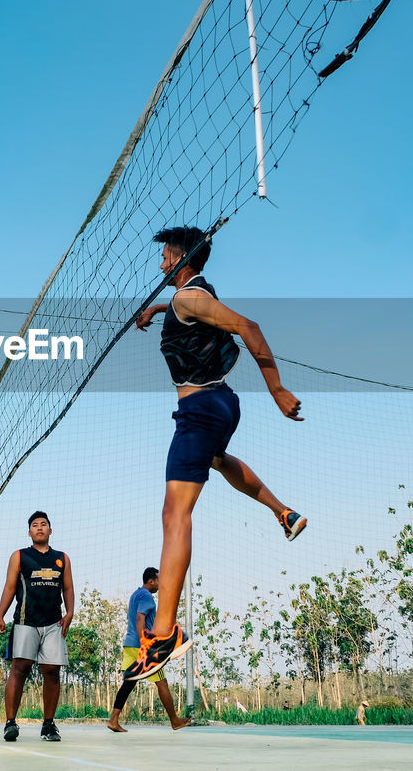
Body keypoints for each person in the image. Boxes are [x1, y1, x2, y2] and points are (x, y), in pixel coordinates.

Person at [125, 226, 306, 681]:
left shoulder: (190, 298)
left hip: (200, 408)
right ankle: (283, 512)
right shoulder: (190, 297)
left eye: (166, 256)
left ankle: (165, 632)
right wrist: (160, 306)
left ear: (182, 257)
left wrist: (278, 390)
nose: (161, 263)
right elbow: (193, 310)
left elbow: (250, 328)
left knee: (174, 514)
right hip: (220, 405)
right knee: (218, 461)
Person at [0, 511, 74, 742]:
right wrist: (0, 615)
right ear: (29, 532)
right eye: (35, 525)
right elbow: (10, 587)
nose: (39, 528)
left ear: (50, 530)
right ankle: (10, 723)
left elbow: (68, 588)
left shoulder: (62, 558)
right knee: (19, 669)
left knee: (52, 671)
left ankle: (48, 725)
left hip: (53, 623)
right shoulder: (19, 556)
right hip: (25, 621)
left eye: (43, 524)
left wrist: (70, 612)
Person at [107, 567, 190, 732]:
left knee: (128, 683)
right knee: (162, 683)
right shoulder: (146, 596)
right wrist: (145, 642)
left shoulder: (135, 595)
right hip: (143, 647)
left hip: (130, 644)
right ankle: (175, 721)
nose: (160, 584)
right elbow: (140, 618)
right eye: (159, 580)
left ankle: (113, 720)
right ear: (151, 581)